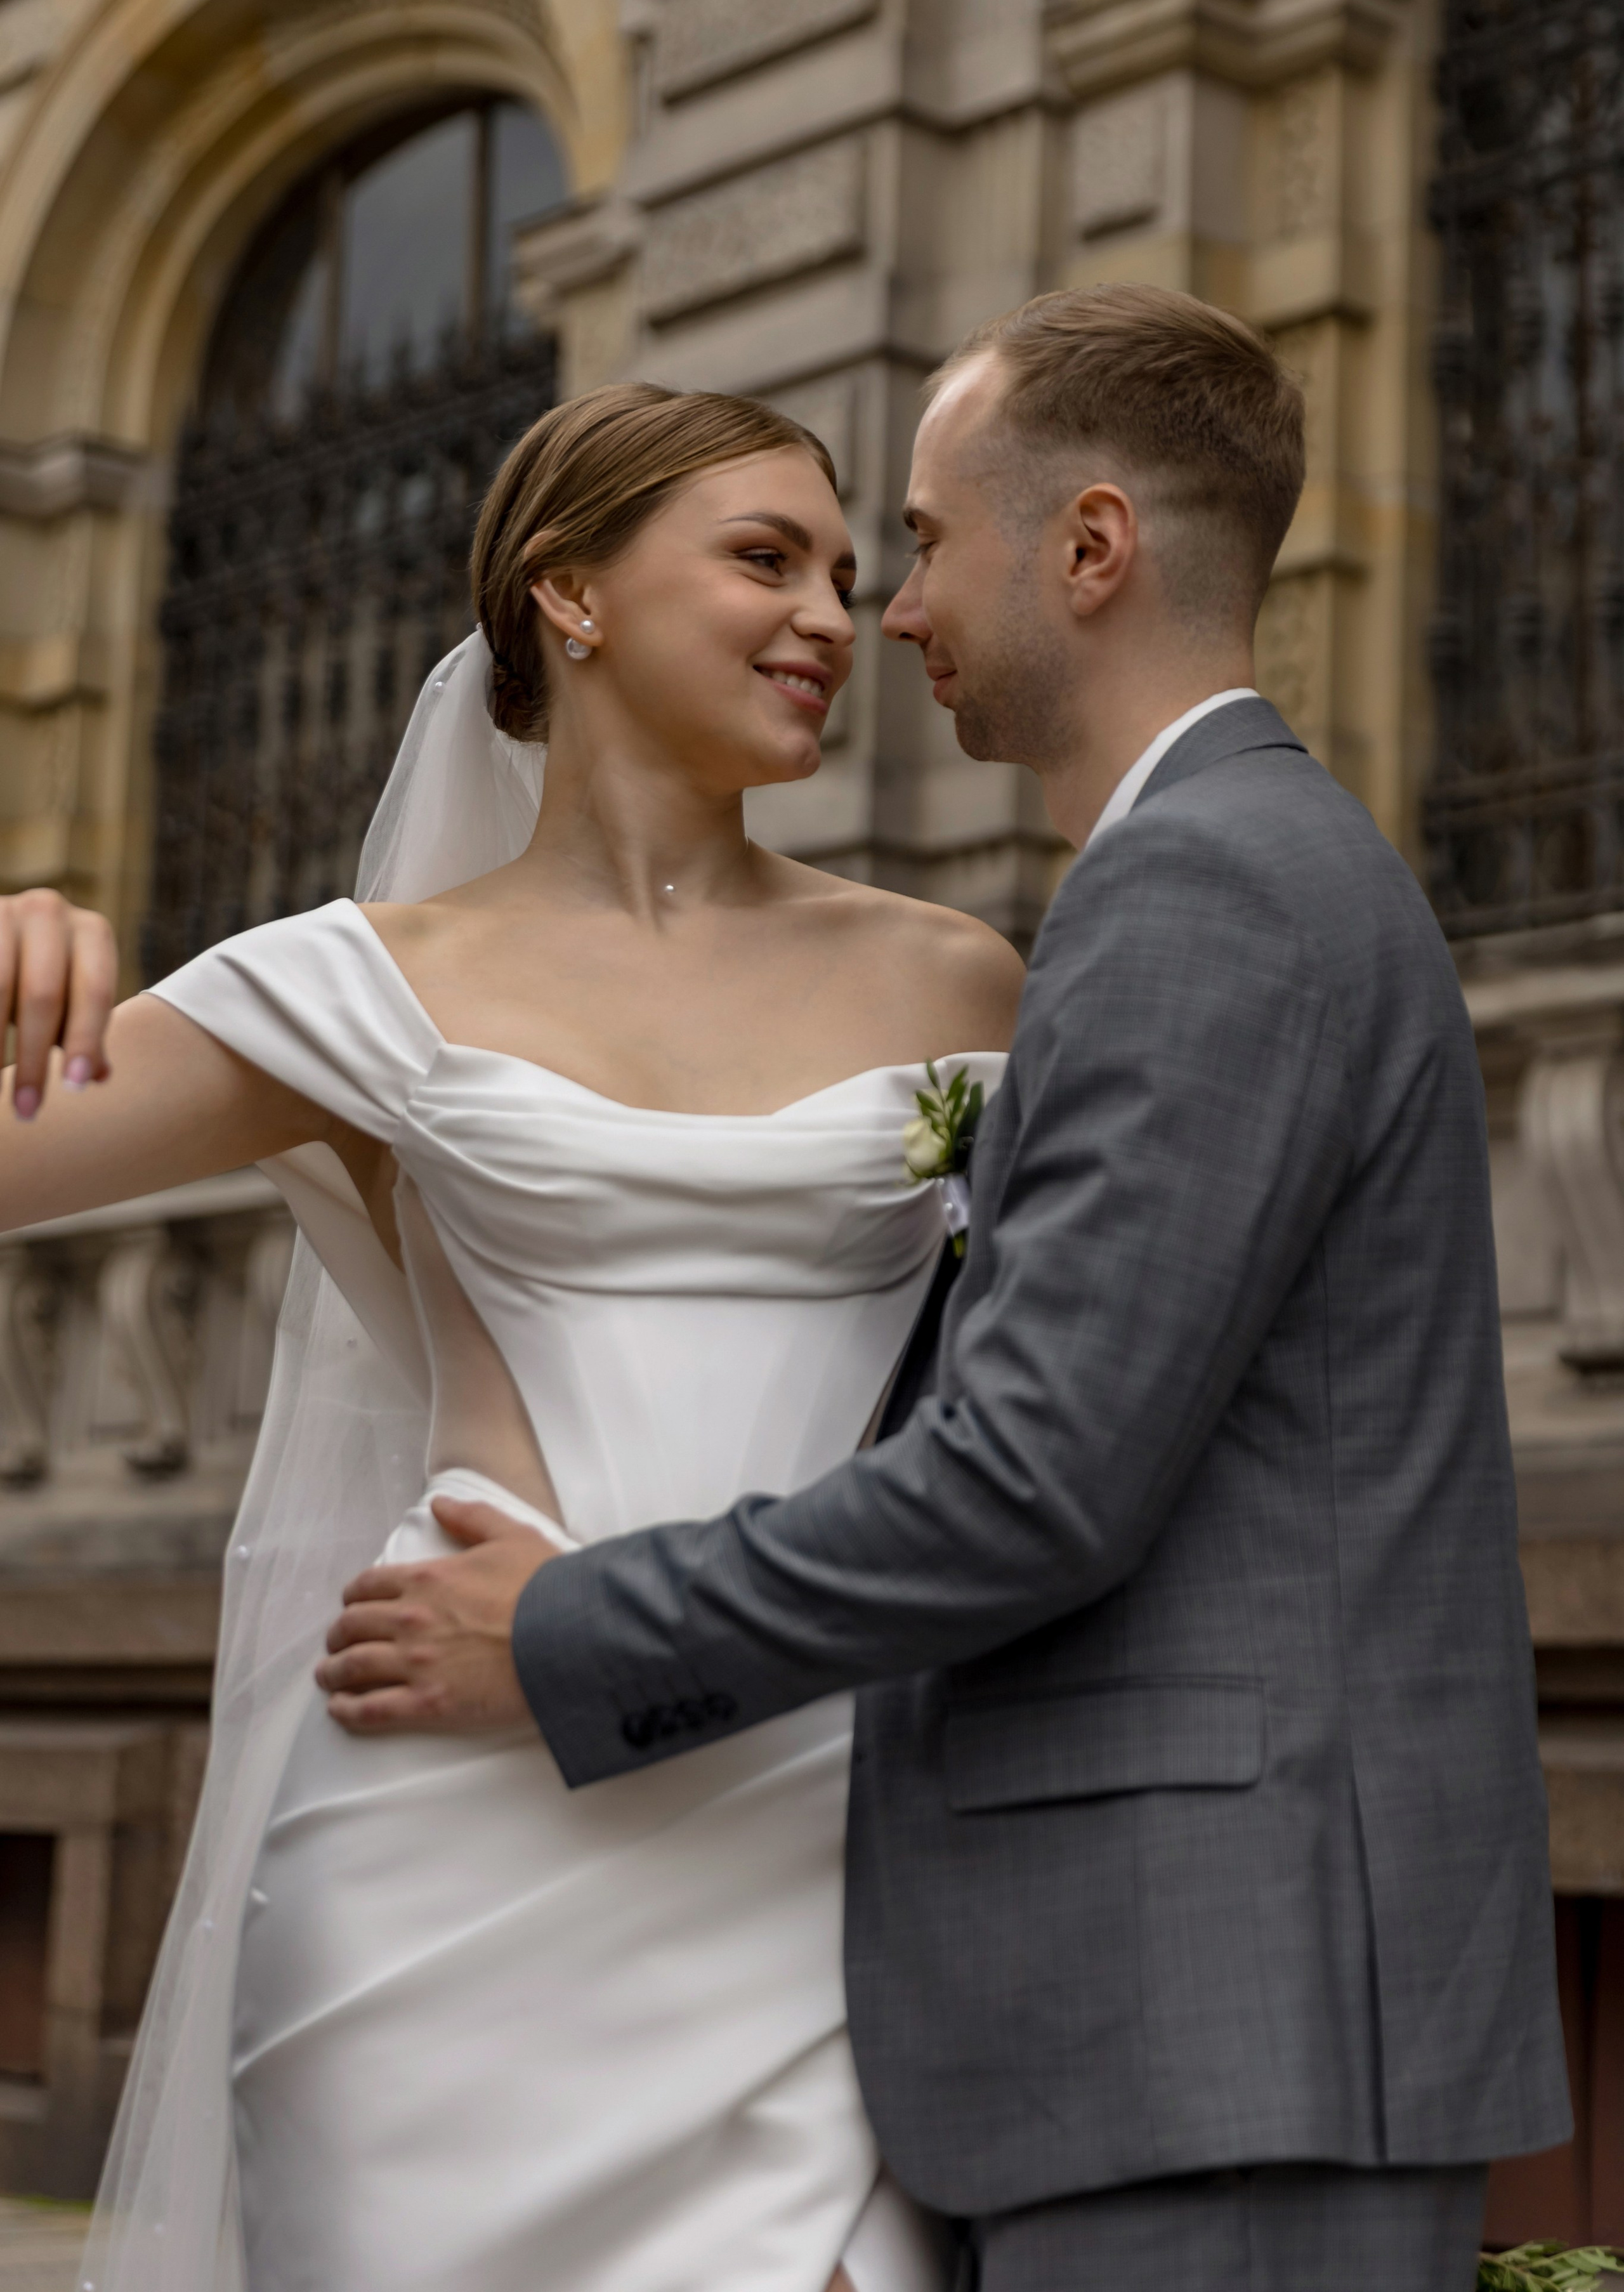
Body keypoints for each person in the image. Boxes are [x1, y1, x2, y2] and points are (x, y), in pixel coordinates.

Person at [309, 287, 1573, 2290]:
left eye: (911, 540)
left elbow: (1034, 1481)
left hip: (1211, 2020)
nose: (888, 613)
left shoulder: (1208, 888)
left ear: (1087, 548)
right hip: (1178, 2020)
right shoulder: (1224, 870)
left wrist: (561, 1631)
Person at [0, 381, 1022, 2292]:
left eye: (847, 568)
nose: (832, 615)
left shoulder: (957, 979)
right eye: (763, 557)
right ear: (570, 594)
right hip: (447, 1866)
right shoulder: (360, 985)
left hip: (824, 1862)